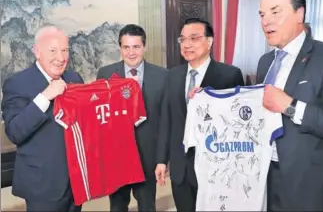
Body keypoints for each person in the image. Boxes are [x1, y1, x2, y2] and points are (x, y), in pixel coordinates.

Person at [256, 0, 323, 211]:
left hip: (308, 184)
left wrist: (290, 106)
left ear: (300, 13)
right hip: (265, 176)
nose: (266, 21)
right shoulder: (265, 62)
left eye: (275, 12)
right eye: (262, 14)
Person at [155, 18, 244, 212]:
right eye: (183, 39)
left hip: (214, 168)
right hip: (180, 168)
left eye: (194, 38)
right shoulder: (172, 75)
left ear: (209, 41)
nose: (187, 44)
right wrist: (161, 160)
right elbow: (166, 120)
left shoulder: (230, 75)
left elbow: (237, 125)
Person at [1, 26, 84, 211]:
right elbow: (14, 132)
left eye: (64, 50)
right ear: (37, 52)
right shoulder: (17, 83)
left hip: (75, 182)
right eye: (53, 51)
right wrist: (45, 97)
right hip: (42, 185)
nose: (61, 58)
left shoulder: (74, 78)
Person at [96, 24, 168, 212]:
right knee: (117, 206)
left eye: (136, 47)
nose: (131, 52)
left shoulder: (162, 76)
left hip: (148, 158)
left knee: (147, 206)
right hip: (116, 157)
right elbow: (100, 119)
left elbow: (164, 122)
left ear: (144, 47)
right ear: (120, 48)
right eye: (126, 47)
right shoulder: (104, 74)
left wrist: (162, 160)